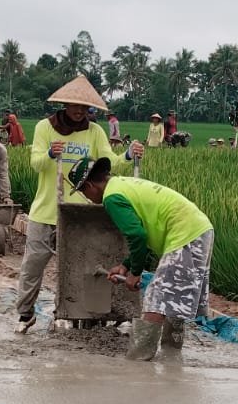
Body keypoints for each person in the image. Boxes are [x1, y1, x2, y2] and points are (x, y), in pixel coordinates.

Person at [15, 75, 144, 333]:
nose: (79, 111)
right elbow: (36, 163)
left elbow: (108, 162)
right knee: (33, 265)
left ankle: (73, 311)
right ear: (65, 104)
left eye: (85, 107)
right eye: (75, 106)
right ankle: (25, 313)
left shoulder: (94, 132)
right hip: (46, 211)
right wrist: (50, 154)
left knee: (77, 266)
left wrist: (128, 156)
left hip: (79, 214)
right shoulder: (44, 128)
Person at [69, 156, 213, 362]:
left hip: (185, 234)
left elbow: (137, 235)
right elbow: (142, 232)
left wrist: (135, 273)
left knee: (156, 297)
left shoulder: (111, 197)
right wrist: (126, 266)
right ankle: (172, 354)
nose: (87, 197)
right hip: (198, 229)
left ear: (90, 185)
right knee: (174, 297)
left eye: (83, 192)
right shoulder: (121, 184)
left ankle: (139, 360)